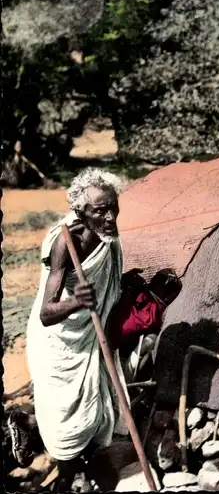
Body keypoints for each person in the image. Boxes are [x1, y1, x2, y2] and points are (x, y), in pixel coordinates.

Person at [8, 168, 131, 491]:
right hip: (60, 340)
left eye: (112, 207)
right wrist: (76, 301)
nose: (110, 216)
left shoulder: (109, 240)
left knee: (97, 411)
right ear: (81, 212)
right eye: (99, 210)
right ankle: (65, 471)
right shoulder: (66, 243)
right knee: (66, 415)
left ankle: (49, 440)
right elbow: (47, 313)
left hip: (92, 333)